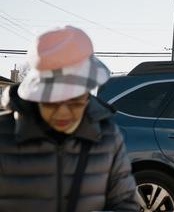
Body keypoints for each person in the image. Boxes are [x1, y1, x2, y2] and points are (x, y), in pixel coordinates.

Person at [0, 26, 138, 212]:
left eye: (75, 100)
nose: (63, 112)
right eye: (52, 101)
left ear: (87, 94)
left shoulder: (108, 136)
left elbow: (126, 204)